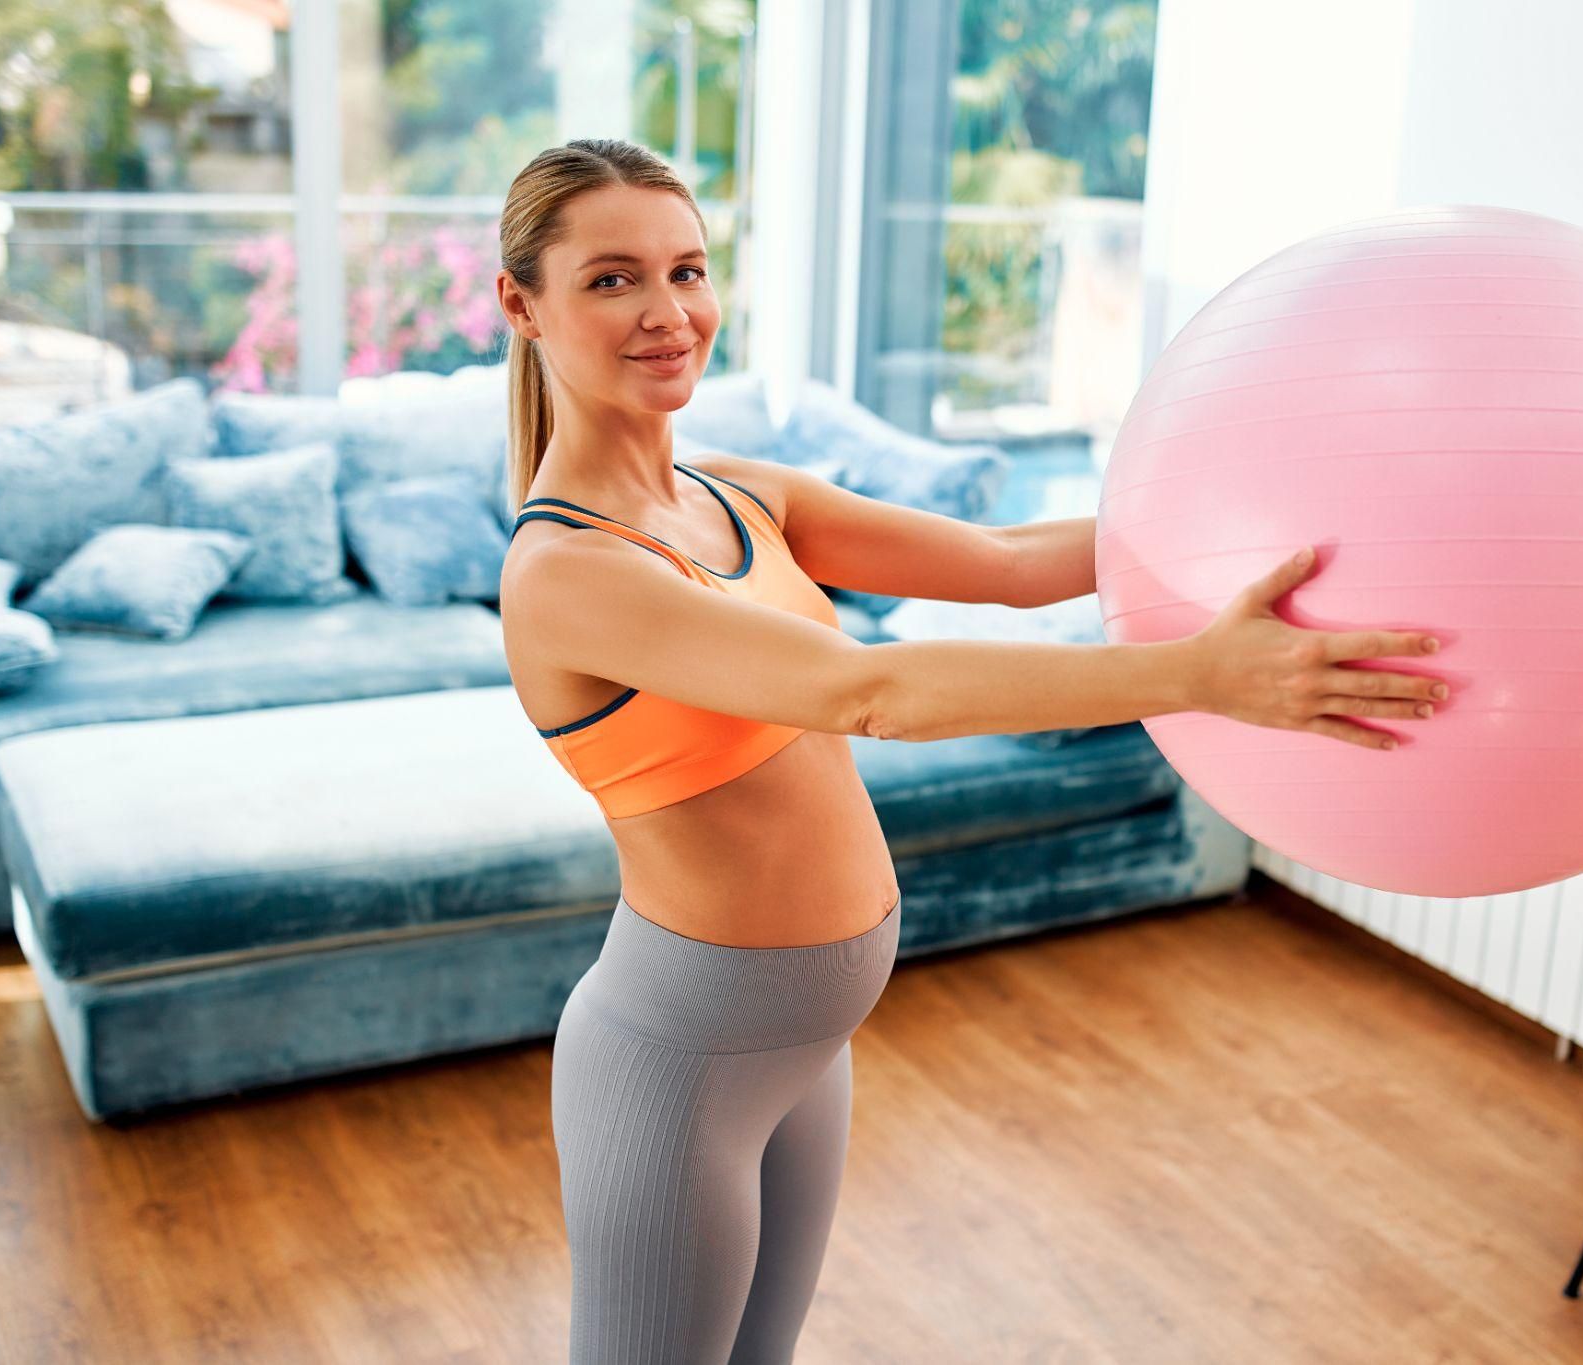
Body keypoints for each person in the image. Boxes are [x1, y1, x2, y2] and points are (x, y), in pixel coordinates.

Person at [493, 137, 1449, 1365]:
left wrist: (1259, 522)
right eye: (612, 279)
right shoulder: (565, 572)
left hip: (796, 1045)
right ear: (522, 303)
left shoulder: (734, 495)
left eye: (687, 270)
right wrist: (1197, 677)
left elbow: (999, 566)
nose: (669, 313)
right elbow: (870, 691)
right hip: (679, 1062)